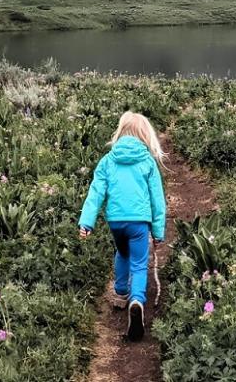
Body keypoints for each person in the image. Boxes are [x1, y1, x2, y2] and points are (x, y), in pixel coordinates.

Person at [78, 111, 167, 342]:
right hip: (139, 222)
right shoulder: (147, 161)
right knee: (139, 263)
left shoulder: (108, 160)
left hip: (116, 222)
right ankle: (137, 300)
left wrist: (86, 221)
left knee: (122, 252)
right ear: (144, 134)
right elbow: (158, 200)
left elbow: (96, 192)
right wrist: (158, 232)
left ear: (121, 132)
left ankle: (120, 293)